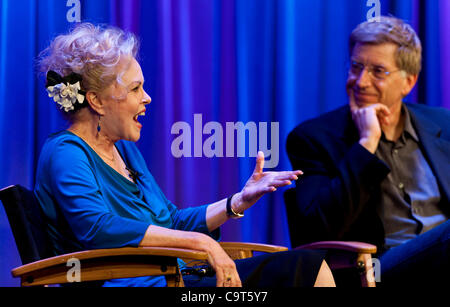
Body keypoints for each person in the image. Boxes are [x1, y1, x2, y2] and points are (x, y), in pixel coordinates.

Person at [35, 23, 335, 287]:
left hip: (174, 277)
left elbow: (171, 221)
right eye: (135, 88)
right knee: (301, 269)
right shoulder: (66, 153)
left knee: (306, 265)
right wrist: (201, 243)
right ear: (96, 100)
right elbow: (97, 229)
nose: (147, 97)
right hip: (141, 283)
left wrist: (236, 202)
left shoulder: (124, 150)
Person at [286, 16, 449, 286]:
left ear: (408, 82)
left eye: (378, 71)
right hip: (378, 269)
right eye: (356, 67)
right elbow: (316, 229)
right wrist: (367, 144)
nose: (361, 82)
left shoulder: (443, 124)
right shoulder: (313, 139)